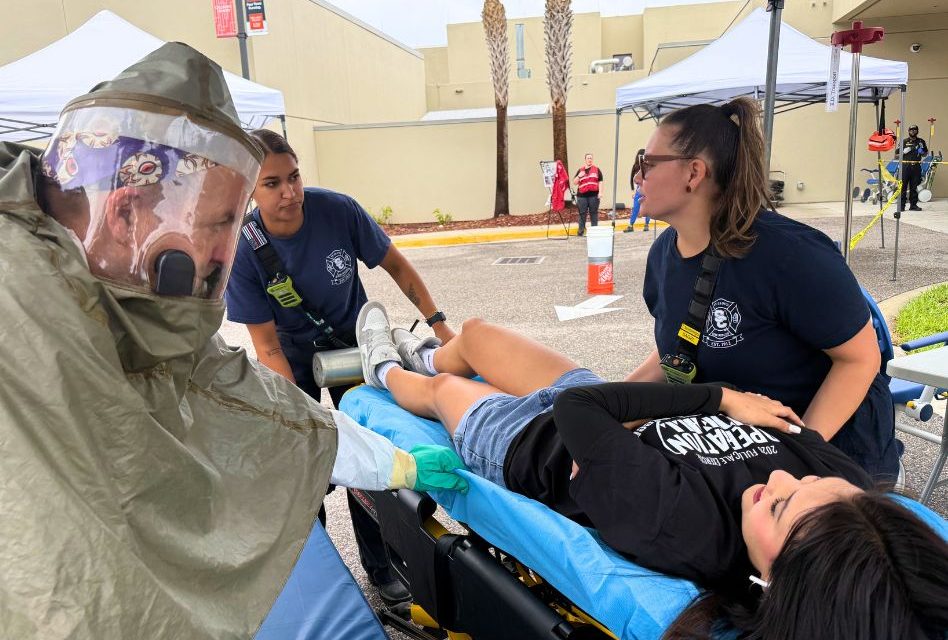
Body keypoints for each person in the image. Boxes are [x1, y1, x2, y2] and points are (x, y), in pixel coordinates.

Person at [0, 43, 467, 639]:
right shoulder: (24, 300)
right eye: (217, 225)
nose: (225, 252)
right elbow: (72, 578)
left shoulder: (116, 292)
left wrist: (391, 462)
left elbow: (238, 392)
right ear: (126, 213)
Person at [354, 305, 948, 640]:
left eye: (780, 506)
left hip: (529, 441)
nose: (791, 479)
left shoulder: (683, 525)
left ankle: (382, 367)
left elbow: (576, 411)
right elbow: (817, 459)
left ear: (772, 580)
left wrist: (721, 399)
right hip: (607, 411)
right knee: (478, 335)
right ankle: (422, 348)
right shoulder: (843, 508)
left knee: (442, 390)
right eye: (819, 485)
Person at [224, 129, 454, 605]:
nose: (289, 193)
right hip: (290, 358)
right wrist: (303, 414)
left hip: (355, 345)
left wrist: (439, 325)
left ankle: (382, 566)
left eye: (294, 177)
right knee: (310, 463)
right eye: (271, 184)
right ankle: (322, 581)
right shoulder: (243, 249)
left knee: (370, 454)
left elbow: (397, 267)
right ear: (249, 188)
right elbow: (266, 347)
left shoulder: (338, 211)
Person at [625, 97, 899, 481]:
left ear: (694, 173)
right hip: (739, 454)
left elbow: (860, 358)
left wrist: (801, 454)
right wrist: (612, 407)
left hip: (833, 458)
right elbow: (677, 350)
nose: (639, 177)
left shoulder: (790, 254)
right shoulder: (662, 257)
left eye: (647, 163)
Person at [572, 152, 603, 236]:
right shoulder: (580, 170)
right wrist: (579, 176)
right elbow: (574, 182)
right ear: (585, 160)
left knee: (594, 213)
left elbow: (600, 182)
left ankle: (595, 231)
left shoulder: (597, 169)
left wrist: (600, 192)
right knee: (582, 214)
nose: (590, 159)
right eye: (588, 158)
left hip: (594, 196)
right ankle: (581, 231)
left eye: (591, 158)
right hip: (582, 197)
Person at [900, 124, 928, 212]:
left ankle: (913, 205)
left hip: (916, 167)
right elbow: (896, 156)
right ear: (908, 131)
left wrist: (922, 151)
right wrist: (903, 152)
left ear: (917, 131)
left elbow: (925, 154)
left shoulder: (921, 141)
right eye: (911, 130)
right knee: (903, 187)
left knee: (914, 187)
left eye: (915, 130)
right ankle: (901, 206)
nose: (913, 131)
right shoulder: (904, 141)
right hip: (905, 167)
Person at [623, 148, 650, 233]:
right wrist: (633, 191)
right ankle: (631, 225)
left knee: (647, 207)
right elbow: (632, 179)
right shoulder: (635, 166)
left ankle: (646, 225)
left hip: (646, 189)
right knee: (635, 208)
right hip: (638, 190)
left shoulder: (647, 165)